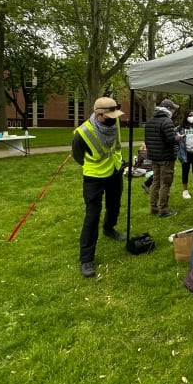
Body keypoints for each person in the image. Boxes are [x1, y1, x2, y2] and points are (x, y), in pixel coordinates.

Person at [71, 97, 127, 278]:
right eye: (109, 115)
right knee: (92, 215)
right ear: (98, 114)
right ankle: (86, 258)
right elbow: (78, 156)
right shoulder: (82, 133)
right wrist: (95, 165)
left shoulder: (115, 122)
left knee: (114, 205)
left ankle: (109, 228)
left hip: (115, 170)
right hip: (94, 177)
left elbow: (116, 145)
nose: (114, 118)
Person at [144, 98, 180, 218]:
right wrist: (178, 138)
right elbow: (170, 140)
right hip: (166, 157)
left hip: (154, 157)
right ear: (168, 109)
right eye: (173, 109)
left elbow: (147, 140)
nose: (174, 111)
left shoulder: (150, 121)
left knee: (155, 182)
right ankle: (163, 210)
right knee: (165, 183)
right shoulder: (167, 121)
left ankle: (153, 207)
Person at [176, 109, 193, 199]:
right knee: (185, 172)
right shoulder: (181, 127)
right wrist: (177, 136)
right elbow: (172, 133)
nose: (192, 117)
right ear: (186, 116)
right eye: (190, 115)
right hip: (185, 153)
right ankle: (185, 191)